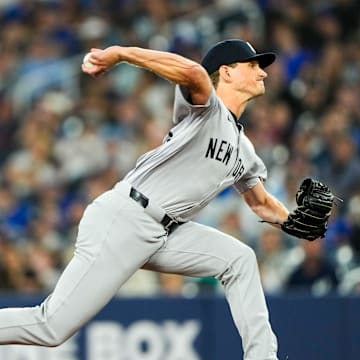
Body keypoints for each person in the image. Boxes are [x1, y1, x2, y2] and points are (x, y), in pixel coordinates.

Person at [0, 39, 291, 360]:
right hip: (126, 217)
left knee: (240, 259)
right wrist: (122, 54)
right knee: (51, 326)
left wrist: (294, 222)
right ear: (227, 72)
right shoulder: (207, 109)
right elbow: (193, 71)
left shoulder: (245, 150)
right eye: (252, 66)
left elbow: (261, 203)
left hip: (166, 232)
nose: (262, 73)